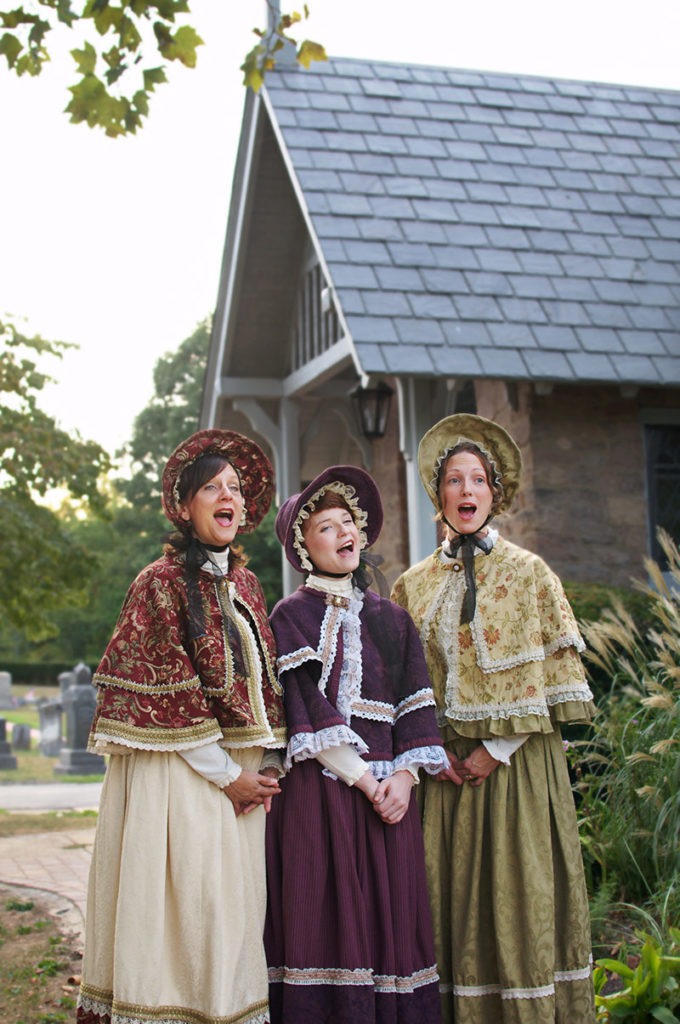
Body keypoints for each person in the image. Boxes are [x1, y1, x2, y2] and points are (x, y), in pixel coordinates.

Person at [391, 414, 596, 1024]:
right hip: (444, 778)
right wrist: (433, 752)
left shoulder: (531, 573)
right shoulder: (413, 585)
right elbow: (404, 685)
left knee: (515, 899)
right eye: (454, 480)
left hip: (515, 774)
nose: (466, 491)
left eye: (478, 479)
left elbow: (553, 684)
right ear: (440, 493)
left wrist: (495, 750)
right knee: (451, 908)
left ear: (494, 491)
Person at [76, 429, 286, 1024]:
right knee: (188, 918)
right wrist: (229, 778)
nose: (229, 496)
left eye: (237, 489)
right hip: (185, 780)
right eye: (213, 487)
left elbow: (264, 684)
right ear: (186, 504)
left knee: (233, 923)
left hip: (244, 787)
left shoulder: (246, 585)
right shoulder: (158, 584)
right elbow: (169, 697)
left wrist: (269, 764)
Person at [265, 465, 448, 1024]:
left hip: (389, 799)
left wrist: (405, 779)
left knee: (386, 923)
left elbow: (415, 707)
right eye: (325, 526)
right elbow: (306, 712)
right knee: (320, 916)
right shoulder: (290, 615)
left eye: (348, 522)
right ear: (302, 546)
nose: (342, 532)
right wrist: (368, 781)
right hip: (322, 796)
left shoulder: (394, 619)